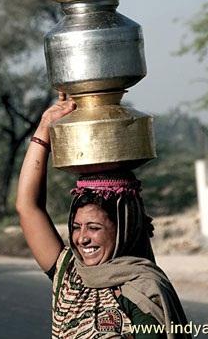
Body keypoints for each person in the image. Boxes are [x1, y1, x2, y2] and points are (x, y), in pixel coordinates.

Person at [16, 93, 190, 339]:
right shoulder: (70, 274)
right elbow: (27, 207)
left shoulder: (141, 290)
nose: (82, 238)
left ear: (123, 230)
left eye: (94, 228)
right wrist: (45, 127)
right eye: (77, 227)